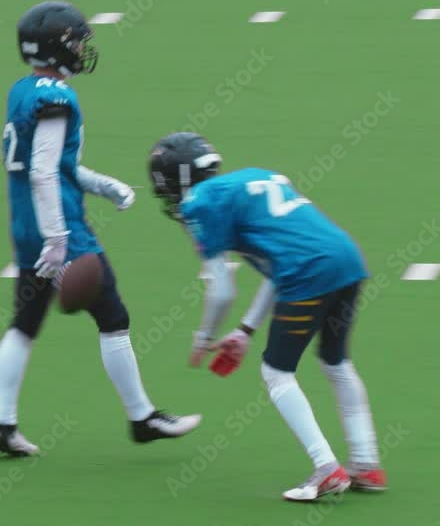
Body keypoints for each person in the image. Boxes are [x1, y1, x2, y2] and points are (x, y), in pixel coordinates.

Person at [0, 0, 200, 457]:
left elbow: (53, 166)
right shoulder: (56, 97)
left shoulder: (22, 89)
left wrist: (104, 186)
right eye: (77, 40)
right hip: (59, 224)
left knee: (24, 323)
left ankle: (3, 425)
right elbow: (45, 171)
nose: (83, 48)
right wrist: (60, 238)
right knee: (113, 317)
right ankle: (142, 417)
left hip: (24, 222)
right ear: (58, 45)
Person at [147, 131, 386, 500]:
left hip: (308, 272)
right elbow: (276, 267)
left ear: (175, 179)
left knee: (276, 372)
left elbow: (223, 289)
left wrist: (203, 336)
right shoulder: (252, 176)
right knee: (336, 363)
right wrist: (245, 330)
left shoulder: (201, 203)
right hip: (346, 258)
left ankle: (326, 468)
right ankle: (366, 464)